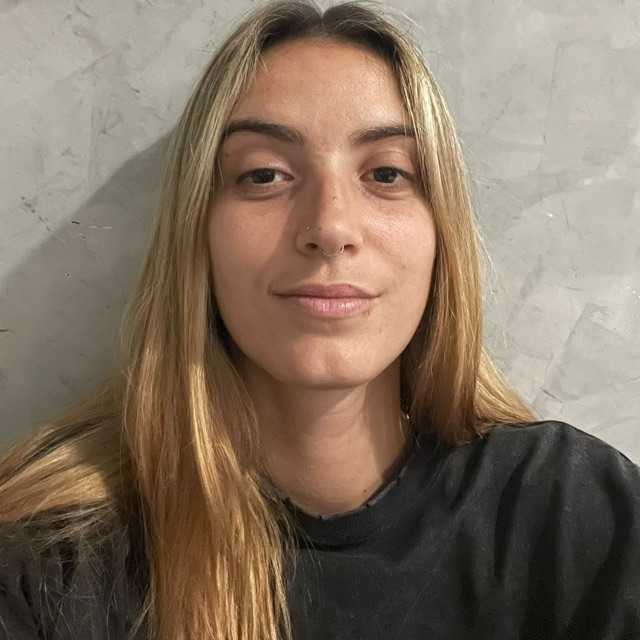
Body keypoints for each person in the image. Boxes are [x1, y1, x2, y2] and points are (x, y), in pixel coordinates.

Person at [0, 0, 638, 639]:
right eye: (264, 175)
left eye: (386, 173)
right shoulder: (52, 565)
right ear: (197, 233)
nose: (330, 227)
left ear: (441, 232)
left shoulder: (575, 517)